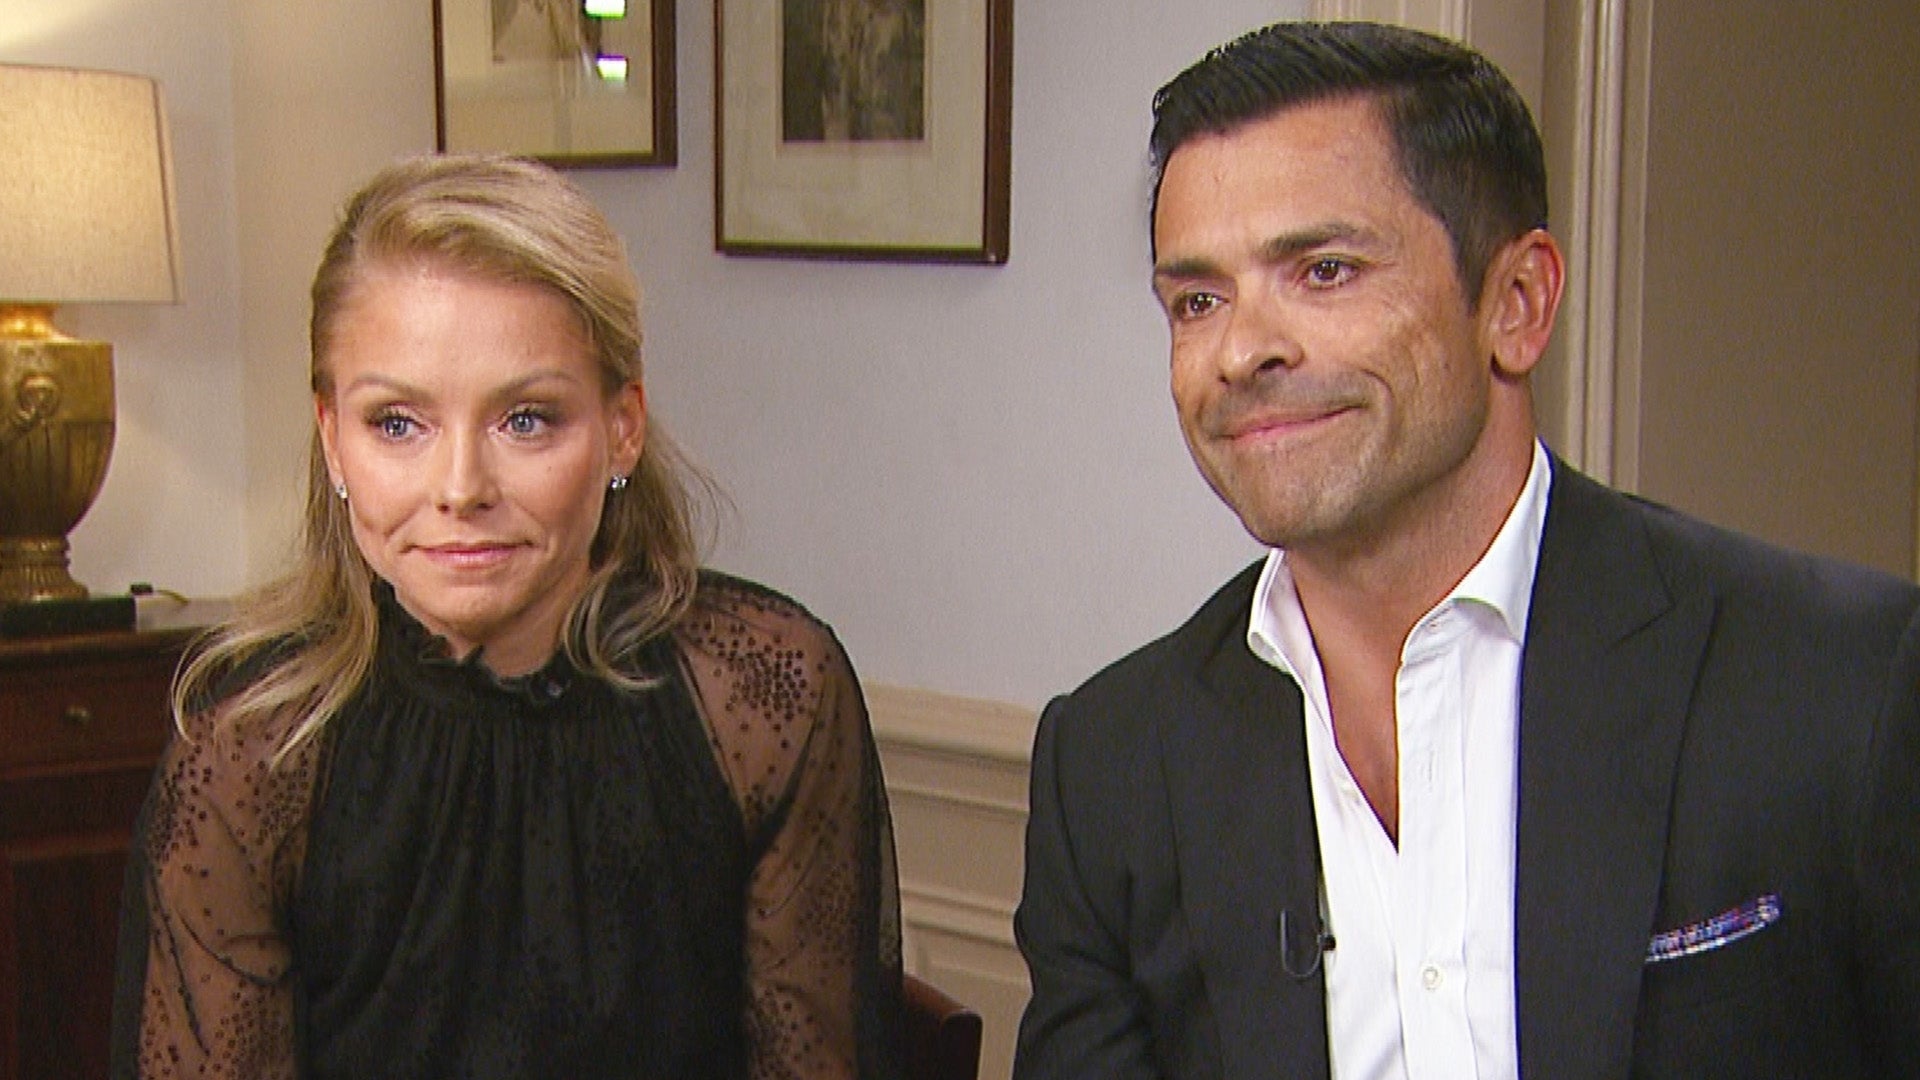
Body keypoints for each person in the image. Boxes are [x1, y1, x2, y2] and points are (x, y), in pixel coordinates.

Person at [1013, 20, 1919, 1080]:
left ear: (1517, 305)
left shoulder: (1842, 685)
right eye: (1199, 301)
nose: (1242, 351)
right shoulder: (1111, 765)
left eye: (1325, 270)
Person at [111, 153, 903, 1079]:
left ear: (622, 428)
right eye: (397, 423)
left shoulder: (767, 698)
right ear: (332, 440)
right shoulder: (249, 753)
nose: (460, 489)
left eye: (524, 419)